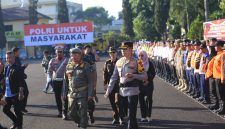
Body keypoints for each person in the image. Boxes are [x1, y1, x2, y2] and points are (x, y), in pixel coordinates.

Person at [105, 41, 147, 129]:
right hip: (122, 92)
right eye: (121, 49)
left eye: (125, 49)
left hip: (133, 90)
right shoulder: (119, 62)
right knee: (124, 115)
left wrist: (134, 75)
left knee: (131, 115)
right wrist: (108, 90)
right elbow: (114, 77)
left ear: (131, 49)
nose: (123, 51)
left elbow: (144, 76)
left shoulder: (137, 62)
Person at [64, 48, 94, 129]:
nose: (74, 56)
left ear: (80, 55)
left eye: (77, 54)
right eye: (72, 54)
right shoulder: (68, 66)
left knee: (83, 113)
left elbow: (90, 81)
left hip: (83, 93)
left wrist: (90, 94)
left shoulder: (86, 65)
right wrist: (64, 93)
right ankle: (81, 122)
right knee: (71, 114)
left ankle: (84, 125)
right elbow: (65, 81)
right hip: (71, 94)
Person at [1, 51, 24, 129]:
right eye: (7, 58)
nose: (8, 59)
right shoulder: (6, 67)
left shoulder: (17, 68)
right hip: (8, 94)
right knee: (5, 109)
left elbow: (21, 81)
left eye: (10, 57)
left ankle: (19, 126)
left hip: (15, 93)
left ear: (14, 57)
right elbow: (5, 78)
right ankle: (15, 122)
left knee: (18, 112)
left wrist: (21, 93)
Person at [47, 46, 69, 120]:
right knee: (57, 97)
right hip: (55, 81)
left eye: (61, 51)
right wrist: (49, 79)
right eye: (58, 51)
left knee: (65, 97)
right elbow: (49, 72)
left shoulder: (67, 60)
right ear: (55, 52)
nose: (59, 53)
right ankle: (60, 111)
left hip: (65, 81)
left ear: (63, 52)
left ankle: (65, 112)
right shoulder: (52, 61)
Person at [103, 47, 120, 125]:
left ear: (116, 53)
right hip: (110, 85)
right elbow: (105, 74)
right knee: (112, 102)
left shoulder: (120, 62)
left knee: (118, 101)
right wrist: (105, 84)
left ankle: (120, 117)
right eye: (111, 53)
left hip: (119, 85)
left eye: (114, 52)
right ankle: (116, 117)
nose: (112, 54)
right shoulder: (107, 63)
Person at [138, 50, 156, 123]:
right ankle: (143, 116)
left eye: (142, 55)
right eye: (139, 55)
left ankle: (149, 116)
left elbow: (153, 73)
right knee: (141, 101)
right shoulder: (138, 63)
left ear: (145, 55)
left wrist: (148, 80)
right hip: (140, 85)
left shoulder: (150, 63)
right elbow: (136, 74)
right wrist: (142, 81)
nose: (141, 57)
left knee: (149, 100)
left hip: (149, 84)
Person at [12, 47, 29, 113]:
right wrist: (24, 67)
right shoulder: (14, 60)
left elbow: (19, 69)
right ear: (15, 52)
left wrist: (23, 68)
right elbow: (17, 70)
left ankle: (22, 108)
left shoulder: (17, 58)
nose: (20, 53)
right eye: (19, 52)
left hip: (21, 78)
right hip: (18, 80)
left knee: (25, 92)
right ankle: (19, 108)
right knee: (21, 93)